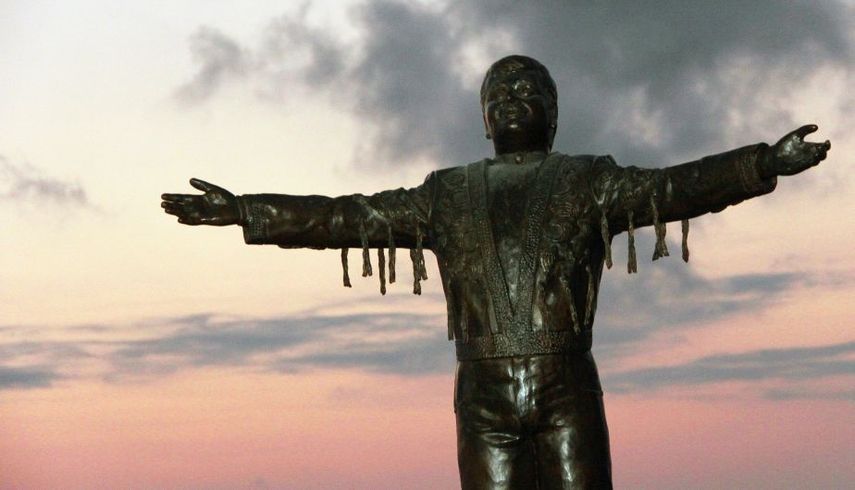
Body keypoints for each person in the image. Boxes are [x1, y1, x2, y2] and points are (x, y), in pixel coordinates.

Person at [162, 55, 830, 489]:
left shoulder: (587, 180)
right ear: (483, 121)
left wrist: (761, 163)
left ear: (551, 112)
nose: (511, 98)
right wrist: (246, 210)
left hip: (565, 384)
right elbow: (343, 216)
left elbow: (675, 188)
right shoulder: (444, 194)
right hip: (481, 398)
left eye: (527, 90)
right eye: (497, 93)